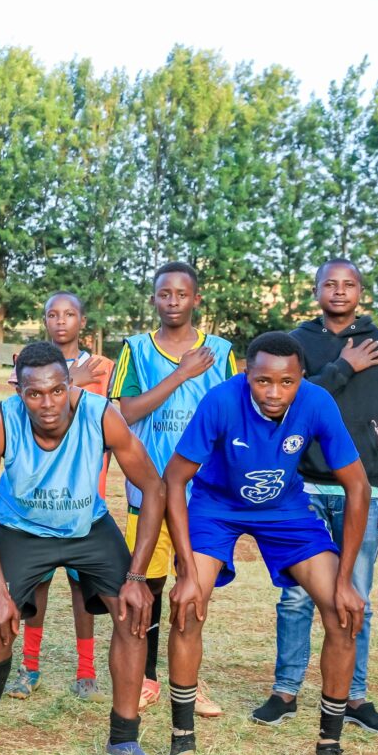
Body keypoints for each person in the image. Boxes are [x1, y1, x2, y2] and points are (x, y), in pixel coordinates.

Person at [163, 332, 372, 755]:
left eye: (286, 382)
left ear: (302, 378)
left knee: (342, 614)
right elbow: (174, 479)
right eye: (263, 381)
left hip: (285, 510)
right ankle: (182, 740)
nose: (274, 392)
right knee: (188, 606)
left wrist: (345, 580)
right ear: (247, 375)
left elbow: (358, 486)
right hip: (216, 507)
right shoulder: (221, 401)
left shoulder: (316, 402)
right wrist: (185, 570)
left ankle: (330, 748)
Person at [0, 343, 163, 755]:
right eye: (35, 394)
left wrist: (137, 577)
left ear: (69, 385)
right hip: (21, 530)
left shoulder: (100, 415)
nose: (48, 403)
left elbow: (154, 486)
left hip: (87, 526)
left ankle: (124, 739)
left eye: (57, 390)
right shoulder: (0, 422)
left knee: (132, 614)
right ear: (19, 391)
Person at [253, 259, 378, 734]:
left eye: (349, 284)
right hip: (301, 486)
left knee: (356, 596)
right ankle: (285, 690)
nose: (339, 291)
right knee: (296, 595)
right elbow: (282, 401)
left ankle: (353, 696)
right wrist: (343, 367)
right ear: (316, 290)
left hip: (364, 488)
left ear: (360, 291)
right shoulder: (296, 344)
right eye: (330, 284)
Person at [109, 261, 235, 717]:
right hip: (149, 492)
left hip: (203, 496)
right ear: (154, 299)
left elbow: (233, 414)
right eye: (164, 294)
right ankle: (146, 677)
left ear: (196, 299)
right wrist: (180, 374)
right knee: (146, 586)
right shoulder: (136, 349)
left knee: (193, 584)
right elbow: (125, 412)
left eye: (182, 294)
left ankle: (189, 679)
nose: (173, 301)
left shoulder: (221, 352)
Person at [7, 292, 114, 702]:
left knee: (83, 587)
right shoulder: (28, 365)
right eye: (53, 314)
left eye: (69, 314)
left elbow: (105, 421)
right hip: (36, 502)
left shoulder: (101, 366)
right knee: (37, 584)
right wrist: (73, 381)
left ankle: (86, 672)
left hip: (82, 498)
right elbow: (24, 411)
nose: (61, 321)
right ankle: (29, 667)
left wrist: (80, 382)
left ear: (82, 321)